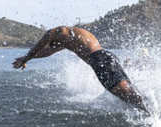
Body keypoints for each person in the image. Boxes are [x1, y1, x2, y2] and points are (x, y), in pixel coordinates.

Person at [12, 26, 148, 112]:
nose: (54, 45)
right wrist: (27, 58)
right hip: (108, 56)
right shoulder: (73, 35)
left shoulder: (55, 31)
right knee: (130, 92)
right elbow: (47, 52)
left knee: (128, 95)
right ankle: (154, 106)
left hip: (98, 60)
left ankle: (154, 114)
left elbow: (39, 47)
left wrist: (25, 59)